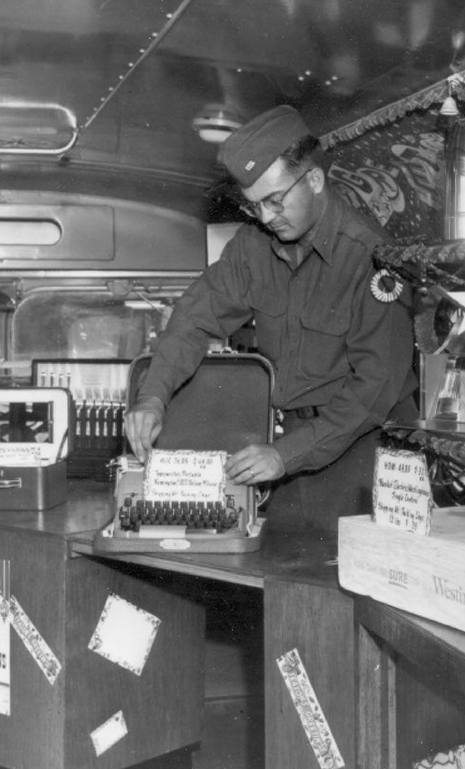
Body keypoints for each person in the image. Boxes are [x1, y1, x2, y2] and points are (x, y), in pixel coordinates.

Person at [124, 105, 418, 532]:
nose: (265, 217)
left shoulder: (373, 257)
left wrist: (285, 454)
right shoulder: (253, 246)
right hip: (291, 449)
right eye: (253, 206)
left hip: (365, 453)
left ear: (314, 180)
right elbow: (194, 316)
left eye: (275, 201)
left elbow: (375, 387)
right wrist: (153, 396)